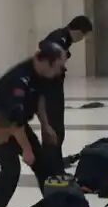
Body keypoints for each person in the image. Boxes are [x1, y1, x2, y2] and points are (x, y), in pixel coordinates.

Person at [0, 43, 68, 207]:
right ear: (47, 62)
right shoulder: (19, 78)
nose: (60, 71)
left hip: (18, 123)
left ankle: (54, 206)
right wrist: (26, 149)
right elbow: (14, 121)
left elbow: (39, 99)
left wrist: (45, 125)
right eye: (59, 67)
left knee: (42, 163)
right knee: (11, 170)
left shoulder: (41, 74)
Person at [38, 15, 93, 165]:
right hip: (48, 89)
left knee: (57, 129)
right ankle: (51, 165)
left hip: (53, 87)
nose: (81, 39)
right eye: (82, 36)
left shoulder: (64, 38)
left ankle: (53, 162)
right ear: (77, 31)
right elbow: (44, 47)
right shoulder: (60, 38)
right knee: (54, 129)